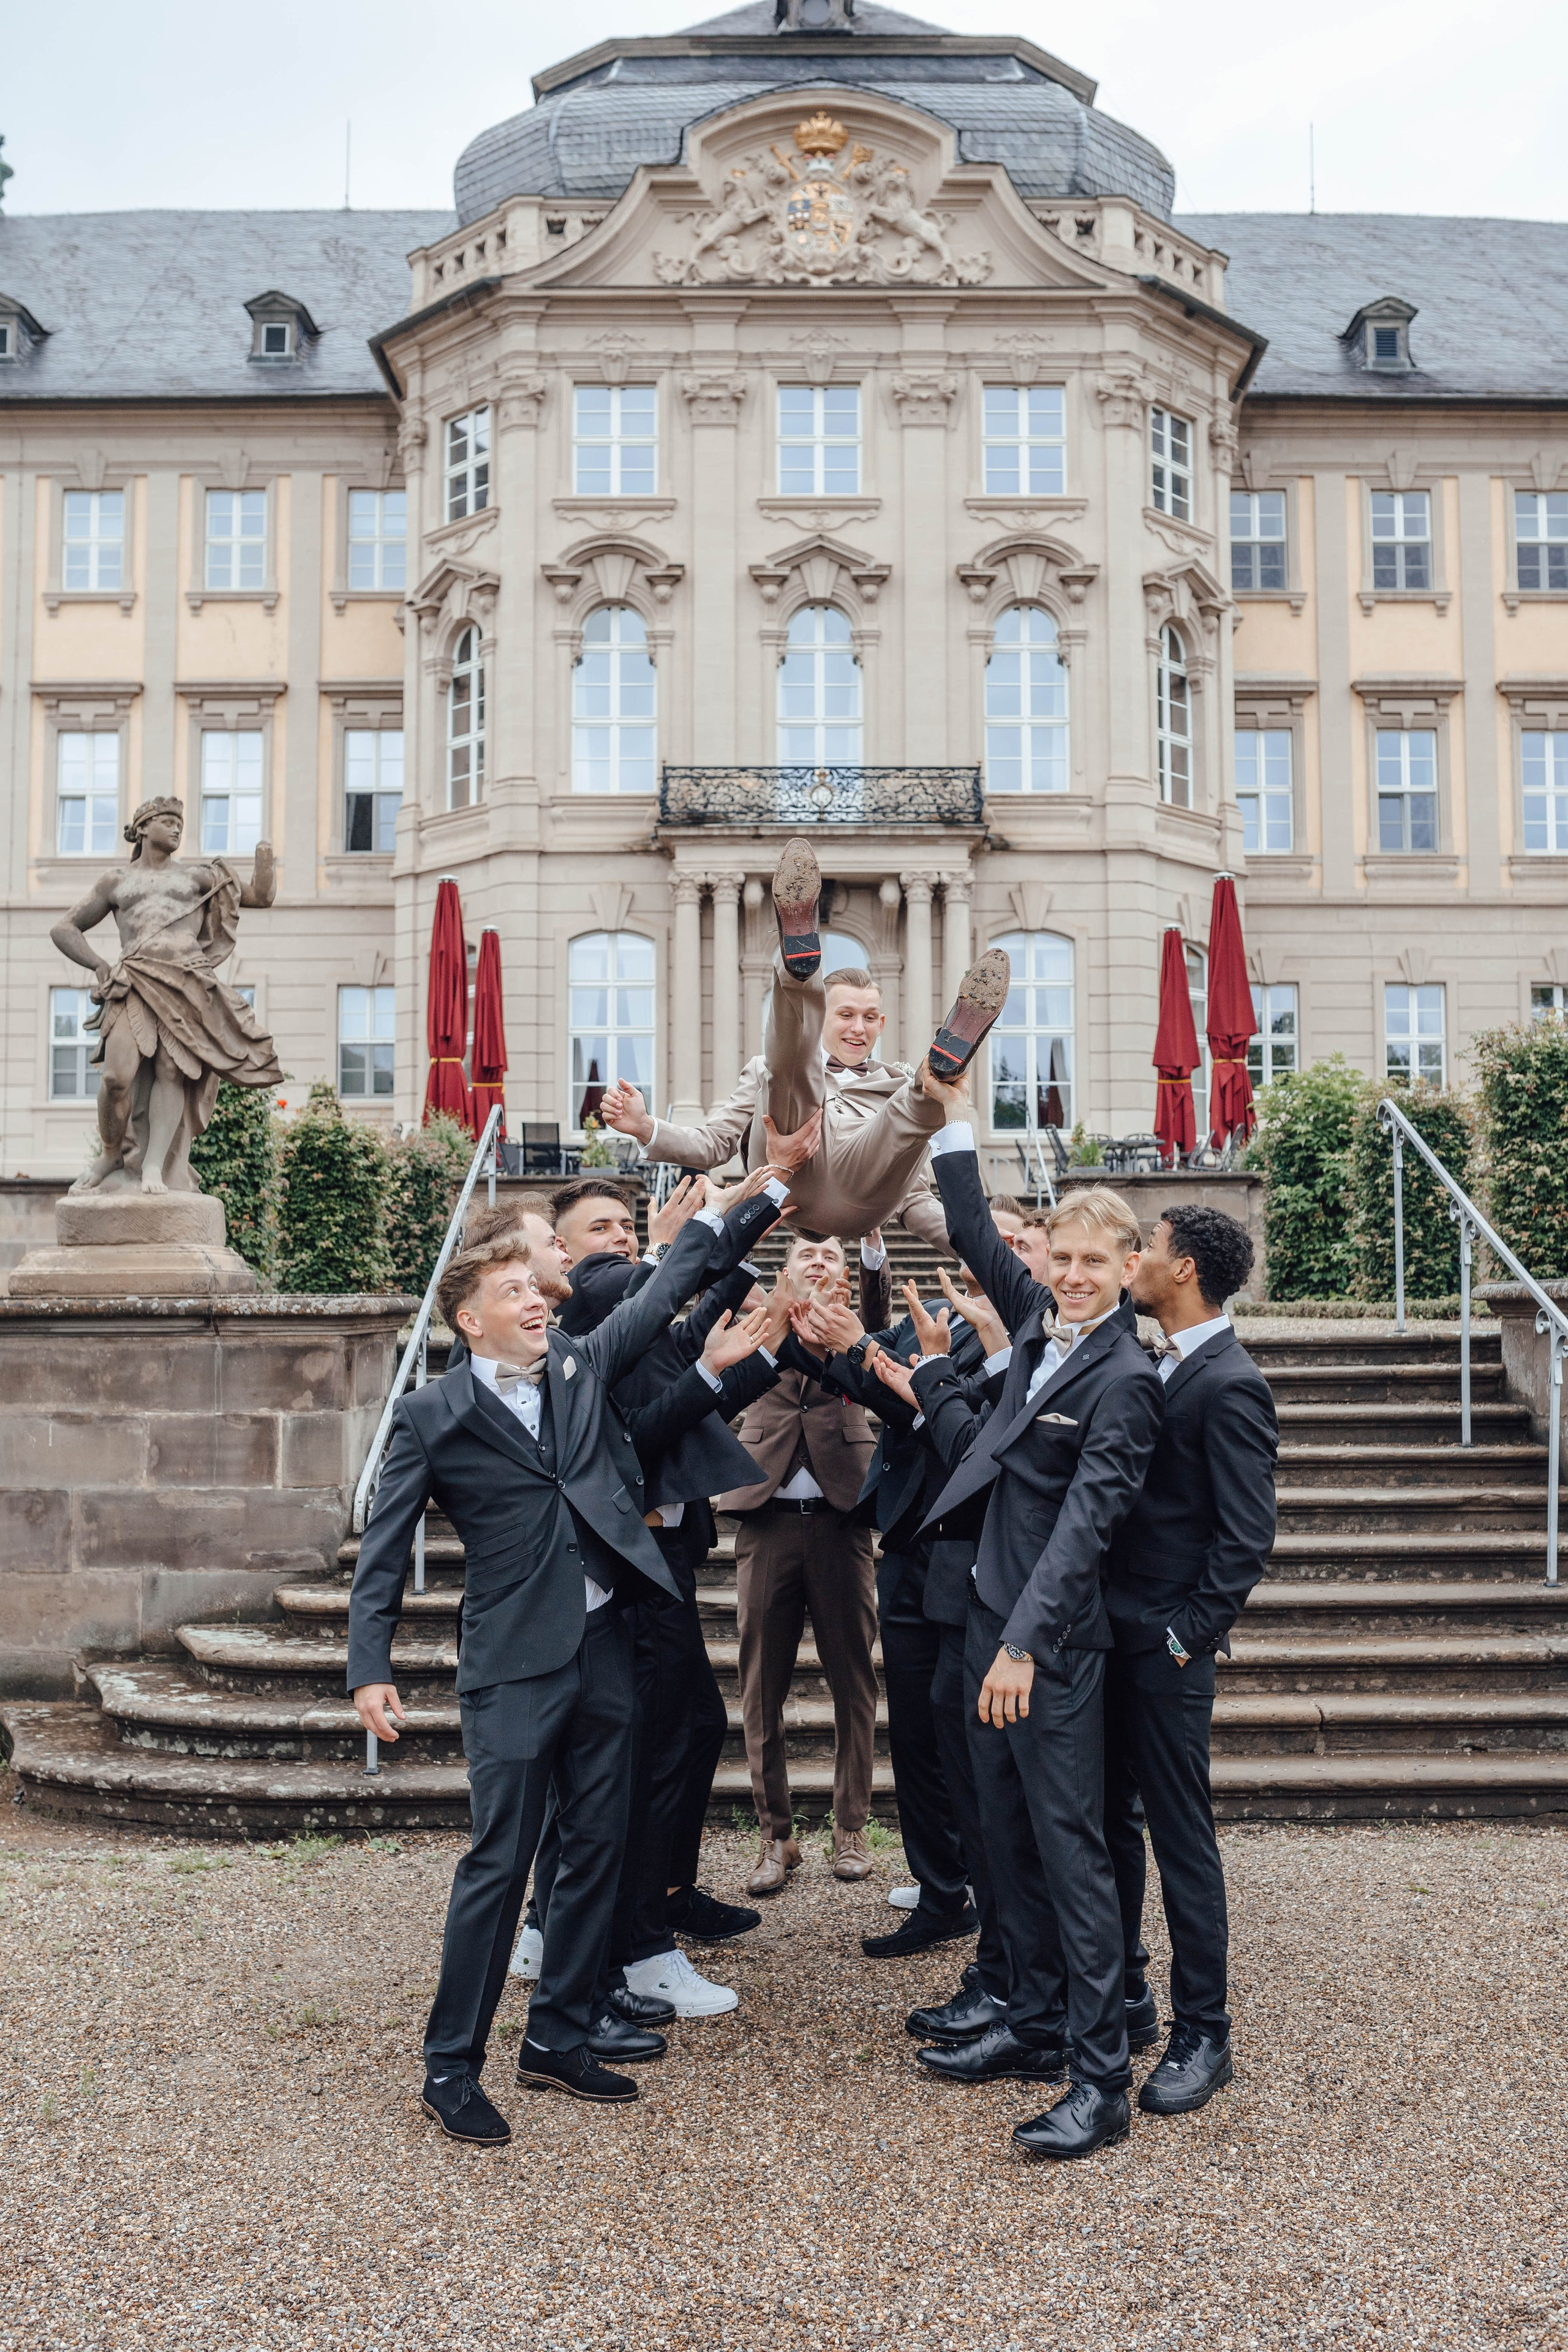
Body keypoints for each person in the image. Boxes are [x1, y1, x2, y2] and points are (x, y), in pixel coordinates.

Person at [346, 1176, 783, 2144]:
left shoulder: (580, 1368)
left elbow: (668, 1284)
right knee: (499, 1863)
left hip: (604, 1647)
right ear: (470, 1317)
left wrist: (769, 1191)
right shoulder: (432, 1415)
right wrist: (369, 1665)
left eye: (535, 1289)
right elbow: (383, 1550)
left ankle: (557, 2035)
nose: (537, 1300)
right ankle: (450, 2065)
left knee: (597, 1848)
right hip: (510, 1664)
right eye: (515, 1292)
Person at [904, 1071, 1164, 2163]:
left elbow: (1083, 1533)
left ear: (1129, 1271)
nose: (1069, 1274)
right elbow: (968, 1221)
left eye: (1092, 1262)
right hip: (983, 1621)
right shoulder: (1036, 1320)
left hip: (1048, 1650)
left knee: (1071, 1856)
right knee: (1001, 1844)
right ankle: (1034, 2020)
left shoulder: (1125, 1378)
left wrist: (1019, 1646)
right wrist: (953, 1105)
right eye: (1060, 1257)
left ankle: (1099, 2080)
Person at [598, 839, 1011, 1249]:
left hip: (858, 1196)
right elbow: (715, 1143)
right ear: (824, 1018)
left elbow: (917, 1200)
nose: (858, 1028)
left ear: (882, 1023)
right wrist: (645, 1126)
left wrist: (983, 1244)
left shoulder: (890, 1085)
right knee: (789, 1071)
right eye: (846, 1015)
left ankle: (944, 1067)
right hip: (786, 1181)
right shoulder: (768, 1070)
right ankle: (798, 973)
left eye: (869, 1018)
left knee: (916, 1102)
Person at [1108, 1204, 1278, 2117]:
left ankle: (1203, 2031)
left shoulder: (1231, 1382)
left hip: (1168, 1648)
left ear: (1182, 1271)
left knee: (1181, 1838)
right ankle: (1130, 1998)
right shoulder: (1146, 1357)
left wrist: (1185, 1637)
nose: (1132, 1258)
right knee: (1110, 1822)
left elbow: (1247, 1539)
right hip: (1109, 1632)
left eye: (1146, 1246)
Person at [717, 1229, 885, 1894]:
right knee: (761, 1685)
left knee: (855, 1682)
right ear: (783, 1270)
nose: (820, 1261)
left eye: (831, 1255)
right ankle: (775, 1837)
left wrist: (868, 1253)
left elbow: (875, 1320)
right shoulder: (759, 1317)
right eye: (806, 1255)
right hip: (766, 1518)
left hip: (843, 1520)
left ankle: (850, 1829)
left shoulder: (853, 1320)